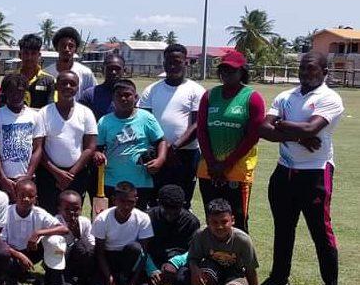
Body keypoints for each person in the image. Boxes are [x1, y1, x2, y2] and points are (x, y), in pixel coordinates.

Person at [258, 52, 343, 285]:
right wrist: (297, 136)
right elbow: (262, 128)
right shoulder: (286, 96)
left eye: (312, 68)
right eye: (303, 68)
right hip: (285, 171)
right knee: (283, 229)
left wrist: (284, 126)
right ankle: (279, 280)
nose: (306, 73)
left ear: (324, 71)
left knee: (321, 233)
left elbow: (310, 130)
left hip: (315, 173)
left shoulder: (330, 98)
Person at [196, 50, 264, 232]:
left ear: (242, 72)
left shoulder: (252, 98)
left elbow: (252, 136)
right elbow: (201, 130)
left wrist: (226, 164)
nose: (226, 74)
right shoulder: (209, 96)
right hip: (209, 170)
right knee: (212, 220)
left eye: (231, 70)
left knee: (237, 220)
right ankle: (214, 259)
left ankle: (239, 260)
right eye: (223, 70)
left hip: (237, 171)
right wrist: (212, 163)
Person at [138, 44, 205, 208]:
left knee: (181, 202)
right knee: (154, 202)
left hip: (186, 154)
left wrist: (173, 147)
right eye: (169, 62)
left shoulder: (196, 90)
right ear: (164, 64)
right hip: (155, 154)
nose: (173, 66)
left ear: (186, 63)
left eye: (177, 62)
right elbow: (143, 121)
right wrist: (162, 149)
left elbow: (197, 124)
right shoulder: (151, 90)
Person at [0, 180, 73, 285]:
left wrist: (38, 233)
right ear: (15, 195)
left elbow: (64, 229)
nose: (26, 199)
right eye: (22, 195)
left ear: (36, 198)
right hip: (11, 255)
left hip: (32, 251)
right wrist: (19, 256)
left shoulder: (39, 213)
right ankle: (12, 277)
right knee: (8, 283)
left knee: (55, 241)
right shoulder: (6, 212)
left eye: (30, 196)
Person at [94, 79, 168, 210]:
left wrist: (160, 159)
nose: (123, 98)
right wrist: (98, 154)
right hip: (112, 182)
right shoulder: (104, 121)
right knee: (114, 220)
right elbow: (97, 148)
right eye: (119, 95)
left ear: (136, 97)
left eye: (127, 95)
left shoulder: (146, 118)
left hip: (141, 182)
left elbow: (161, 141)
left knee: (137, 221)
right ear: (113, 98)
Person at [188, 199, 262, 285]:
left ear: (232, 220)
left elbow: (251, 272)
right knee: (204, 272)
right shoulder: (201, 235)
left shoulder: (243, 240)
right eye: (214, 222)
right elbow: (193, 258)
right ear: (207, 221)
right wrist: (195, 269)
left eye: (224, 221)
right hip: (212, 270)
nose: (220, 226)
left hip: (235, 273)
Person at [38, 71, 98, 213]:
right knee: (49, 214)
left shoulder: (86, 112)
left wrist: (71, 173)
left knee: (72, 215)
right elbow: (39, 147)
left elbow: (90, 147)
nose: (68, 86)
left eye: (72, 84)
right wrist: (57, 172)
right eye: (63, 83)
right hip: (49, 175)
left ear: (78, 88)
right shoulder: (44, 112)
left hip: (77, 175)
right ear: (57, 86)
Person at [90, 182, 155, 285]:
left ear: (136, 200)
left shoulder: (143, 218)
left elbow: (144, 254)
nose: (126, 206)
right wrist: (111, 283)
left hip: (131, 262)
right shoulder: (103, 219)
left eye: (130, 202)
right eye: (122, 201)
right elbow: (100, 253)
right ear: (114, 200)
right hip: (109, 261)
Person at [0, 74, 44, 199]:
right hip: (3, 179)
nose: (15, 95)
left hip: (27, 178)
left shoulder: (35, 116)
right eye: (11, 91)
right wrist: (2, 178)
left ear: (25, 92)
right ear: (4, 92)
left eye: (19, 91)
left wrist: (28, 175)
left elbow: (38, 149)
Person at [145, 185, 200, 285]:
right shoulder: (147, 217)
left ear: (183, 204)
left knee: (187, 281)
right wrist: (151, 269)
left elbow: (194, 250)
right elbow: (141, 248)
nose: (170, 216)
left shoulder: (191, 222)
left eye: (175, 211)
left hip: (179, 265)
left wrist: (175, 262)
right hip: (153, 263)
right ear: (159, 203)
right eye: (166, 211)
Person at [54, 190, 95, 285]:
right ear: (59, 208)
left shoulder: (84, 222)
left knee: (83, 246)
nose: (72, 212)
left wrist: (78, 235)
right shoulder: (55, 222)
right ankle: (57, 281)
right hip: (61, 261)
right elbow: (55, 250)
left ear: (81, 208)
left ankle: (84, 279)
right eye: (67, 209)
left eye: (76, 209)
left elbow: (91, 247)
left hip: (78, 262)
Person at [45, 27, 96, 101]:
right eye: (63, 45)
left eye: (71, 46)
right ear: (56, 48)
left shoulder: (86, 73)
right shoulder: (47, 73)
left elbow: (92, 97)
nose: (67, 49)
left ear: (76, 49)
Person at [16, 33, 56, 109]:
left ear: (39, 55)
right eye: (26, 53)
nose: (29, 57)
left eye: (33, 53)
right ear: (20, 55)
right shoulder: (11, 79)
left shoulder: (49, 80)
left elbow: (51, 108)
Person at [79, 54, 124, 119]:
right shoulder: (90, 95)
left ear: (124, 71)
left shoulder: (129, 95)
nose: (113, 72)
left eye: (117, 69)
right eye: (110, 68)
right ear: (102, 70)